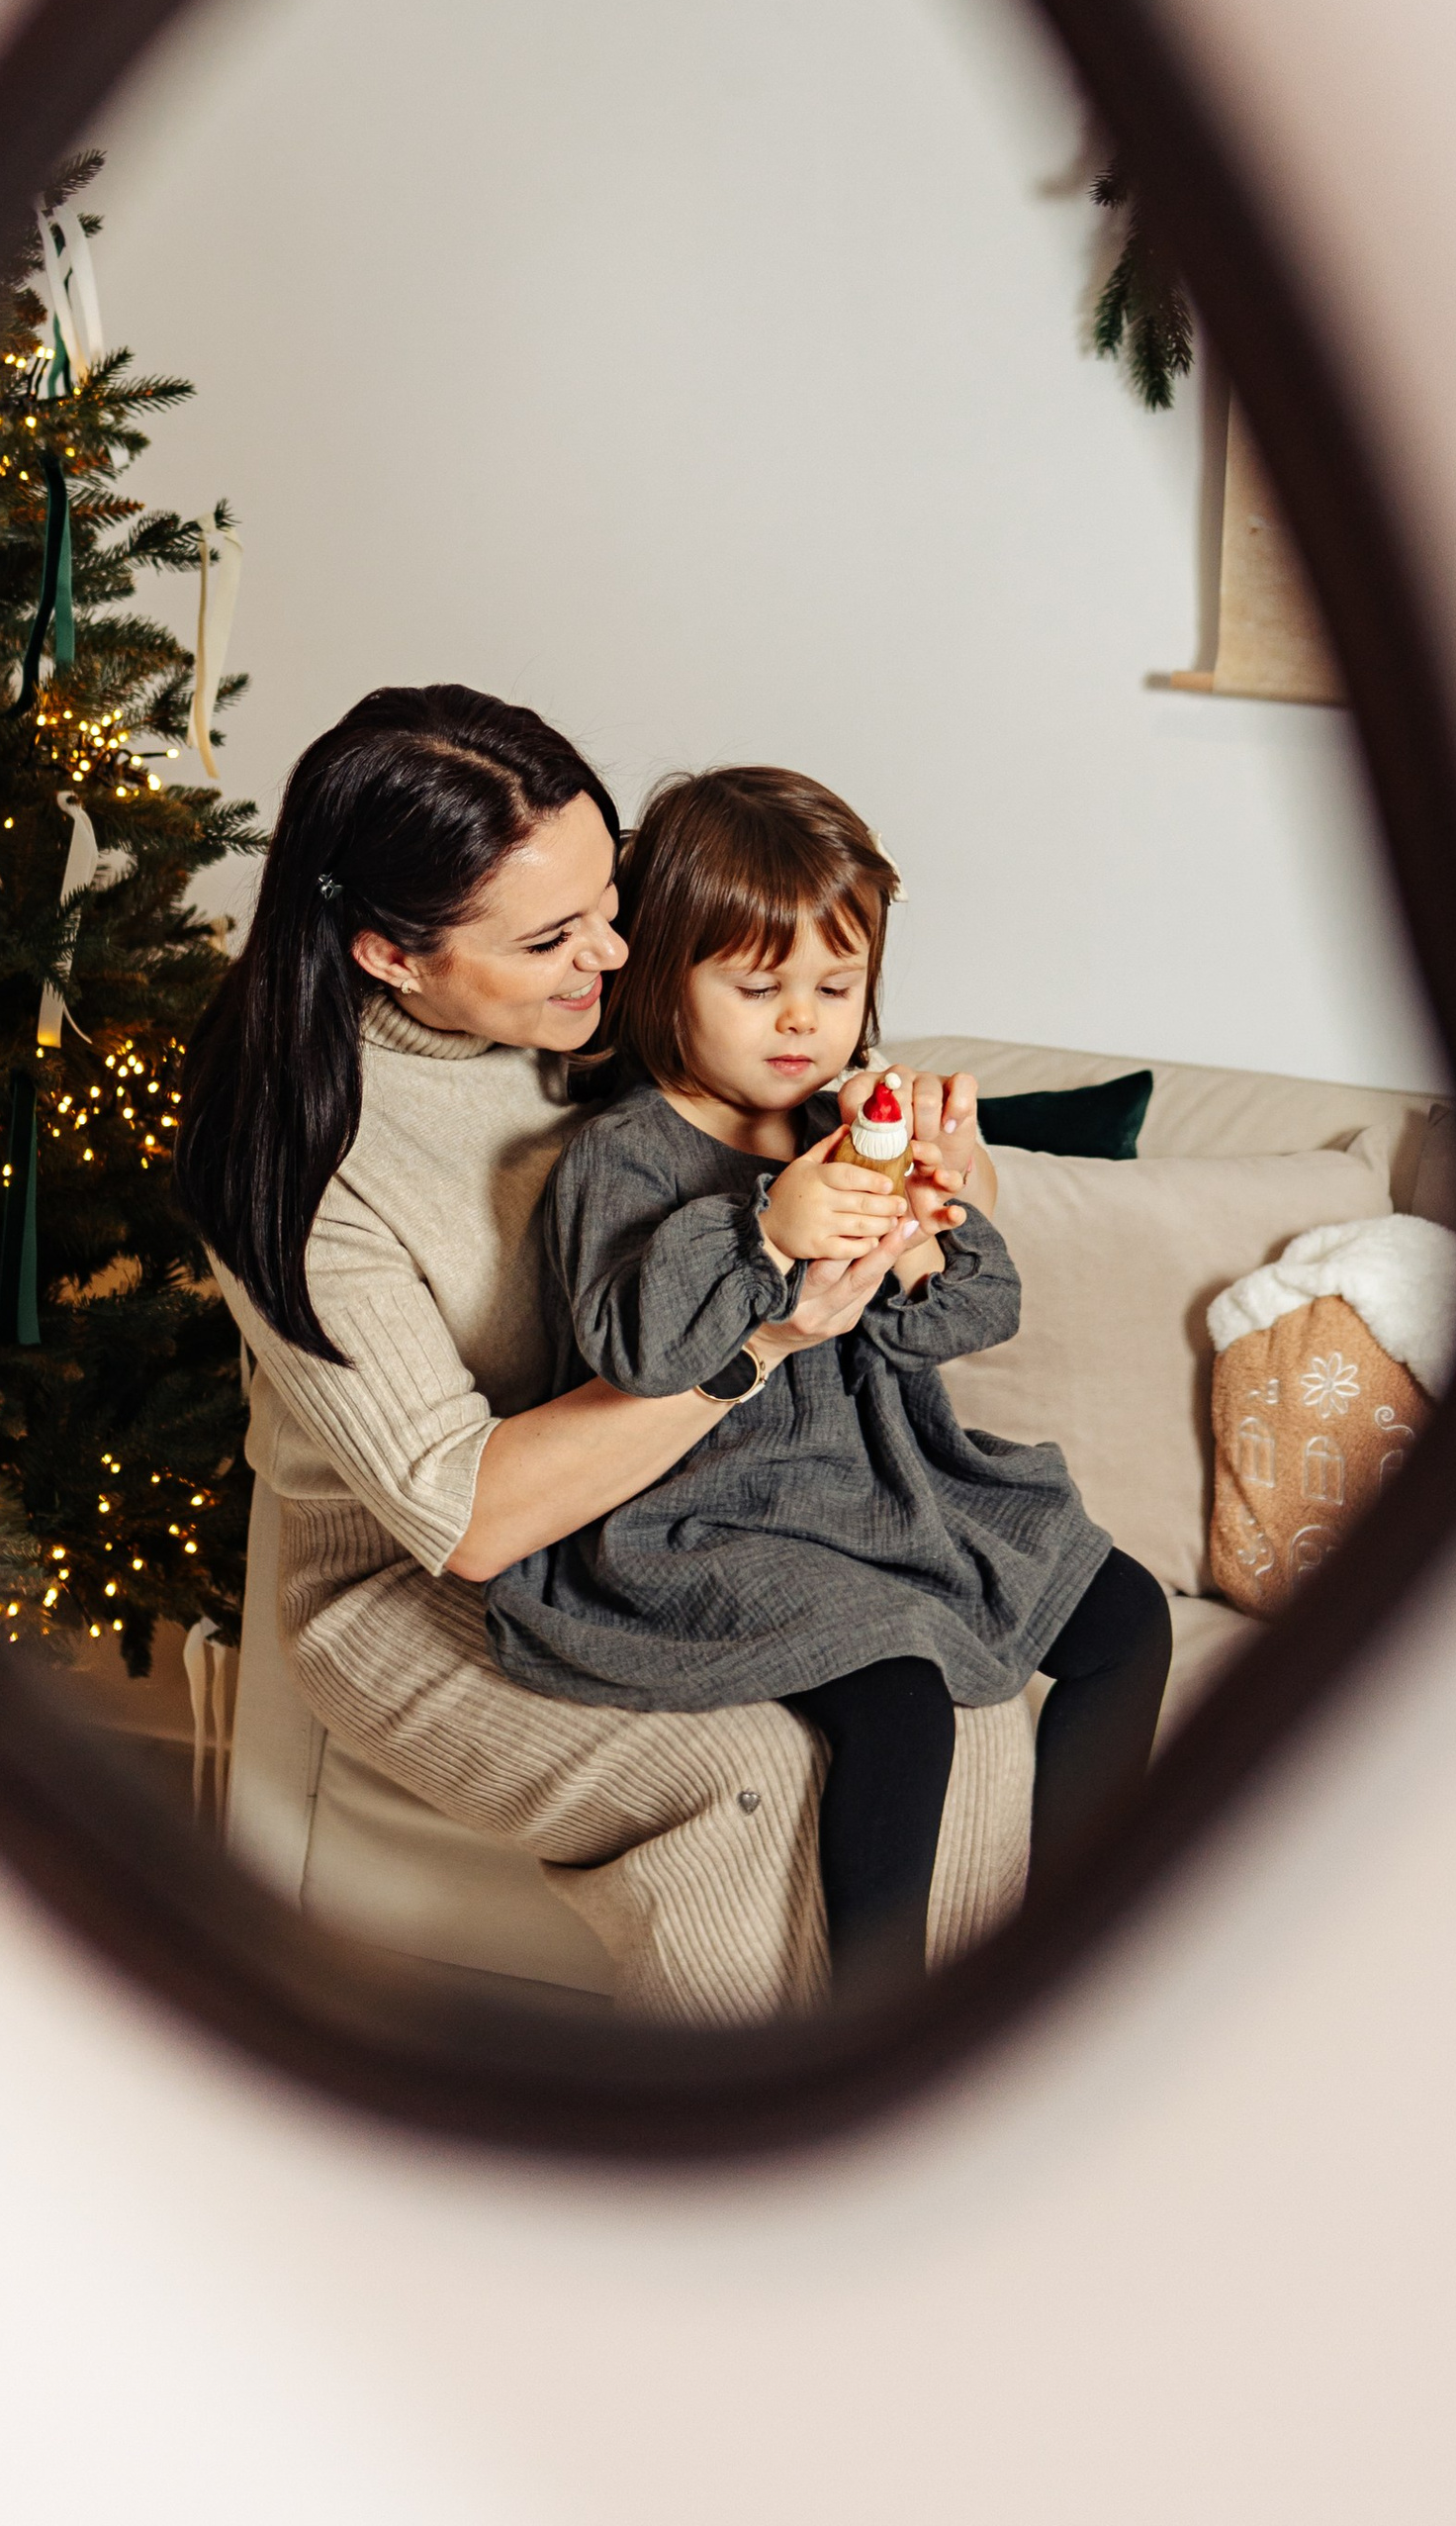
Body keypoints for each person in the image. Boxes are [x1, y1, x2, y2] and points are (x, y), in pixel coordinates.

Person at [173, 684, 1034, 2019]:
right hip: (420, 1583)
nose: (616, 953)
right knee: (755, 1779)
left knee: (970, 1690)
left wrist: (906, 1162)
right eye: (553, 938)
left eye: (612, 900)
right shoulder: (297, 1170)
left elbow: (788, 1041)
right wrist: (759, 1336)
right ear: (392, 956)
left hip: (686, 1511)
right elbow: (466, 1520)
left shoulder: (590, 1003)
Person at [487, 767, 1173, 1995]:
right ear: (664, 981)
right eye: (757, 990)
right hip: (710, 1515)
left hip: (887, 1481)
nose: (800, 1022)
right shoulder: (621, 1156)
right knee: (897, 1688)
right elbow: (642, 1354)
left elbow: (974, 1317)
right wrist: (765, 1229)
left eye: (836, 987)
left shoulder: (849, 1128)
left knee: (1125, 1615)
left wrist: (922, 1235)